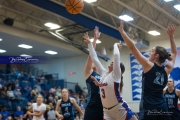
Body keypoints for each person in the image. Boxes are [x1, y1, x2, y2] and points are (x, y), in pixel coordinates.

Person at [118, 21, 177, 120]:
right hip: (162, 106)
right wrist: (171, 36)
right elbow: (174, 52)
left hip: (148, 106)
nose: (150, 53)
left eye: (152, 51)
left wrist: (123, 33)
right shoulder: (167, 69)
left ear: (156, 56)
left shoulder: (148, 65)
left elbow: (132, 47)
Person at [83, 32, 137, 120]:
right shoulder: (103, 73)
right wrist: (89, 43)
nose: (112, 62)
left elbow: (116, 55)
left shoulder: (116, 75)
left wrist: (115, 45)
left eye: (114, 63)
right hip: (107, 112)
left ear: (117, 68)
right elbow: (94, 58)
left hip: (119, 108)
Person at [83, 26, 103, 120]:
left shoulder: (102, 74)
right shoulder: (88, 72)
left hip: (102, 107)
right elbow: (92, 55)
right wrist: (94, 39)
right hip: (91, 108)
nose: (95, 61)